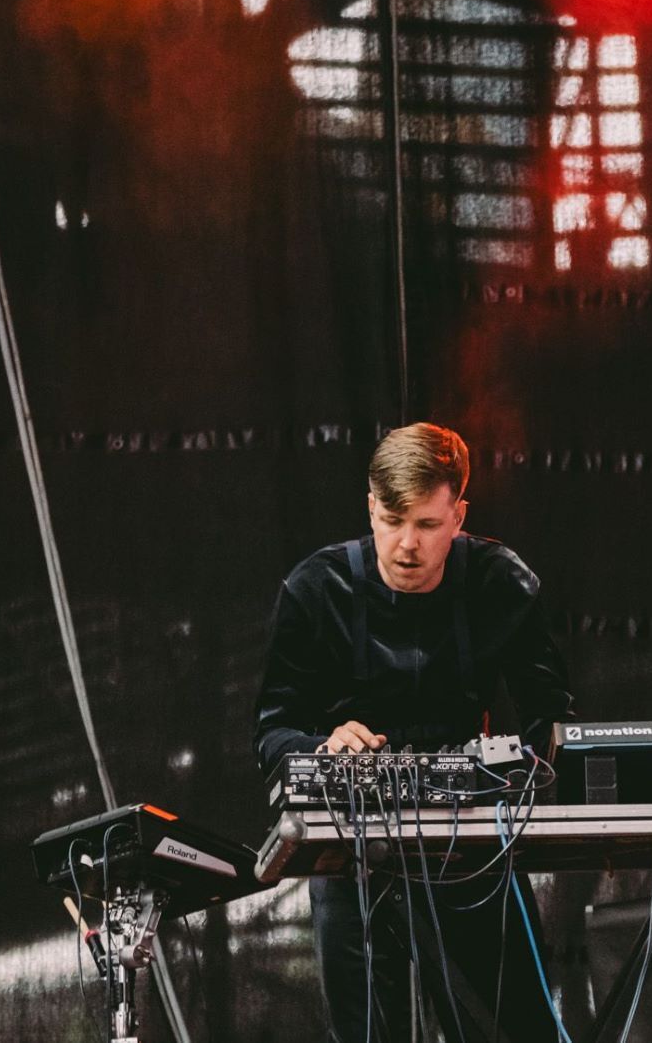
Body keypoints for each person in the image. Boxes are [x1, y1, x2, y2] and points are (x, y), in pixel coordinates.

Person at [254, 422, 575, 1043]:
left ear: (459, 515)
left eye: (428, 525)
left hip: (475, 843)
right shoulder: (315, 590)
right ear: (370, 505)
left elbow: (550, 718)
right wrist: (322, 749)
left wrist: (529, 771)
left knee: (523, 1026)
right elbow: (272, 731)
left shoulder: (499, 582)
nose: (407, 544)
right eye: (392, 519)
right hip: (352, 850)